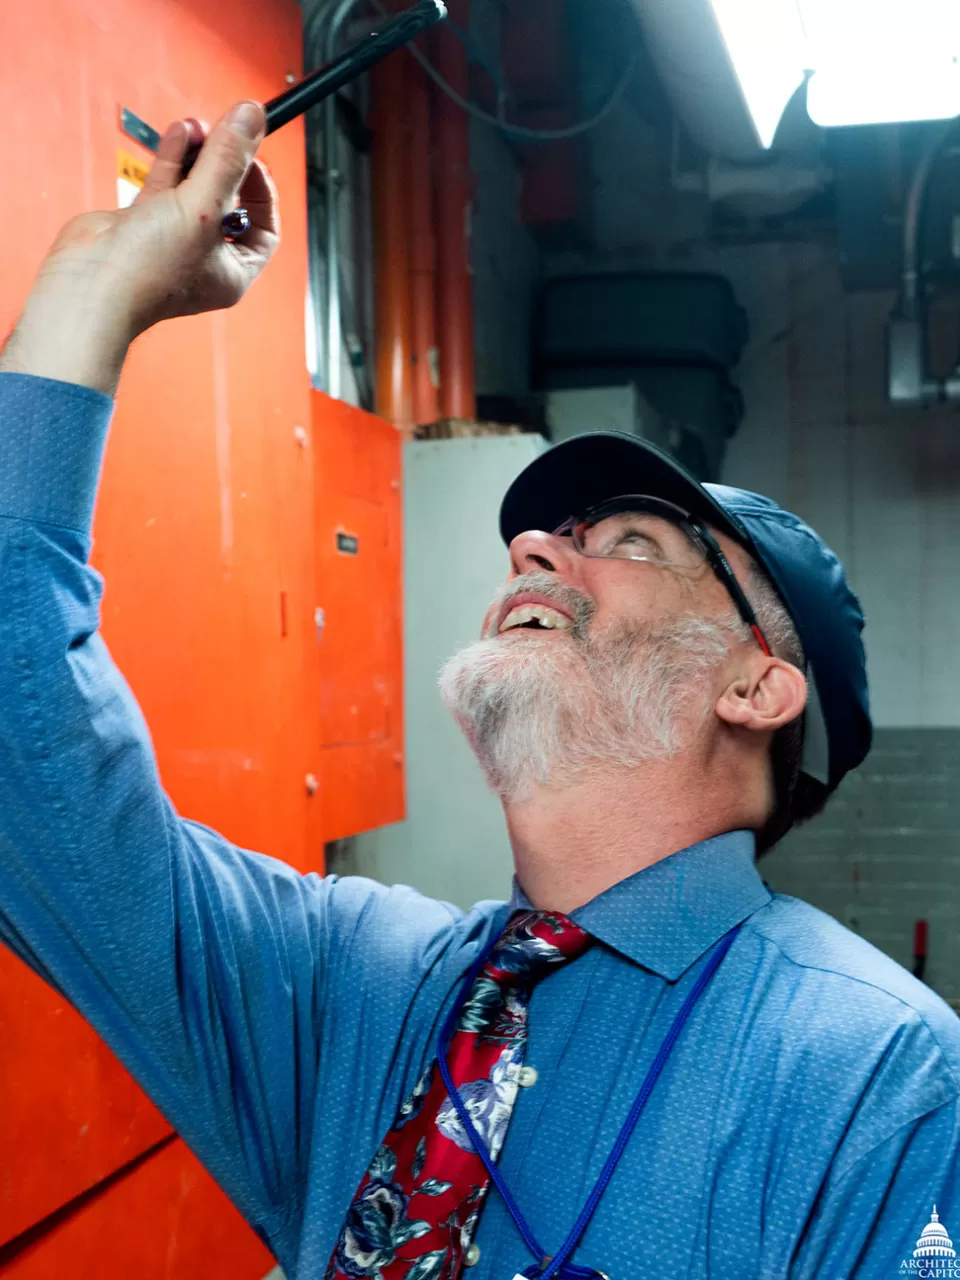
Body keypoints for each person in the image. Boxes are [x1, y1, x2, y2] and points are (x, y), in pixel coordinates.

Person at [0, 101, 958, 1280]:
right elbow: (24, 769)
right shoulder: (354, 982)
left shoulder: (876, 1075)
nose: (534, 550)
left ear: (759, 684)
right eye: (544, 535)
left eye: (631, 542)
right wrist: (88, 296)